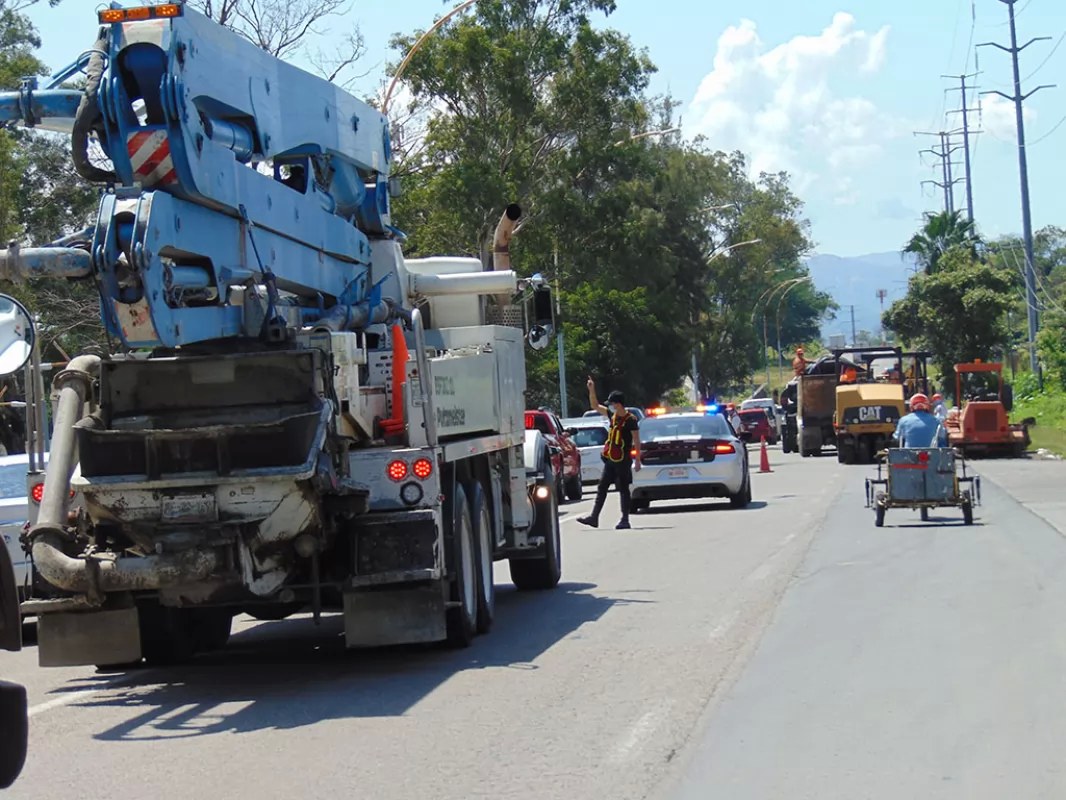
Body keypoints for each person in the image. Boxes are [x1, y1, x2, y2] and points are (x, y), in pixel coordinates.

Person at [578, 377, 641, 530]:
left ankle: (625, 519)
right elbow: (594, 405)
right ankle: (594, 517)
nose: (610, 406)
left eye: (612, 403)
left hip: (623, 460)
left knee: (623, 489)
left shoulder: (631, 419)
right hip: (610, 460)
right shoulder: (612, 416)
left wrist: (638, 459)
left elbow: (636, 440)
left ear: (618, 404)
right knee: (602, 487)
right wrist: (591, 389)